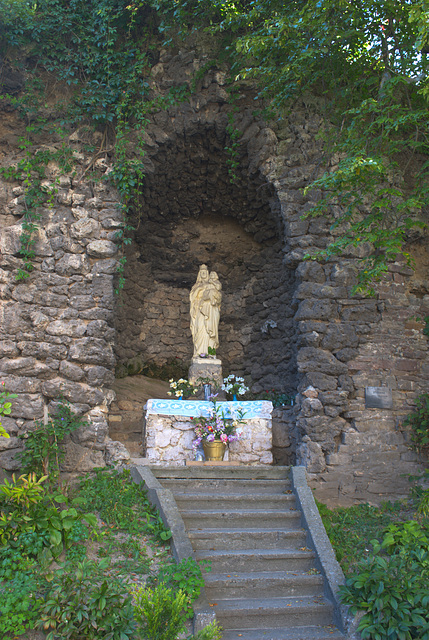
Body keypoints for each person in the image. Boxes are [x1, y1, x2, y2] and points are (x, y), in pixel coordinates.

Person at [190, 265, 222, 358]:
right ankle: (200, 353)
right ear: (199, 274)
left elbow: (218, 297)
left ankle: (211, 353)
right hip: (200, 310)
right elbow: (193, 298)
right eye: (201, 272)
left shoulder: (214, 284)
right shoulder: (196, 286)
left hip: (211, 311)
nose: (203, 273)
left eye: (205, 271)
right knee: (200, 330)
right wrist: (202, 289)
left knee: (210, 333)